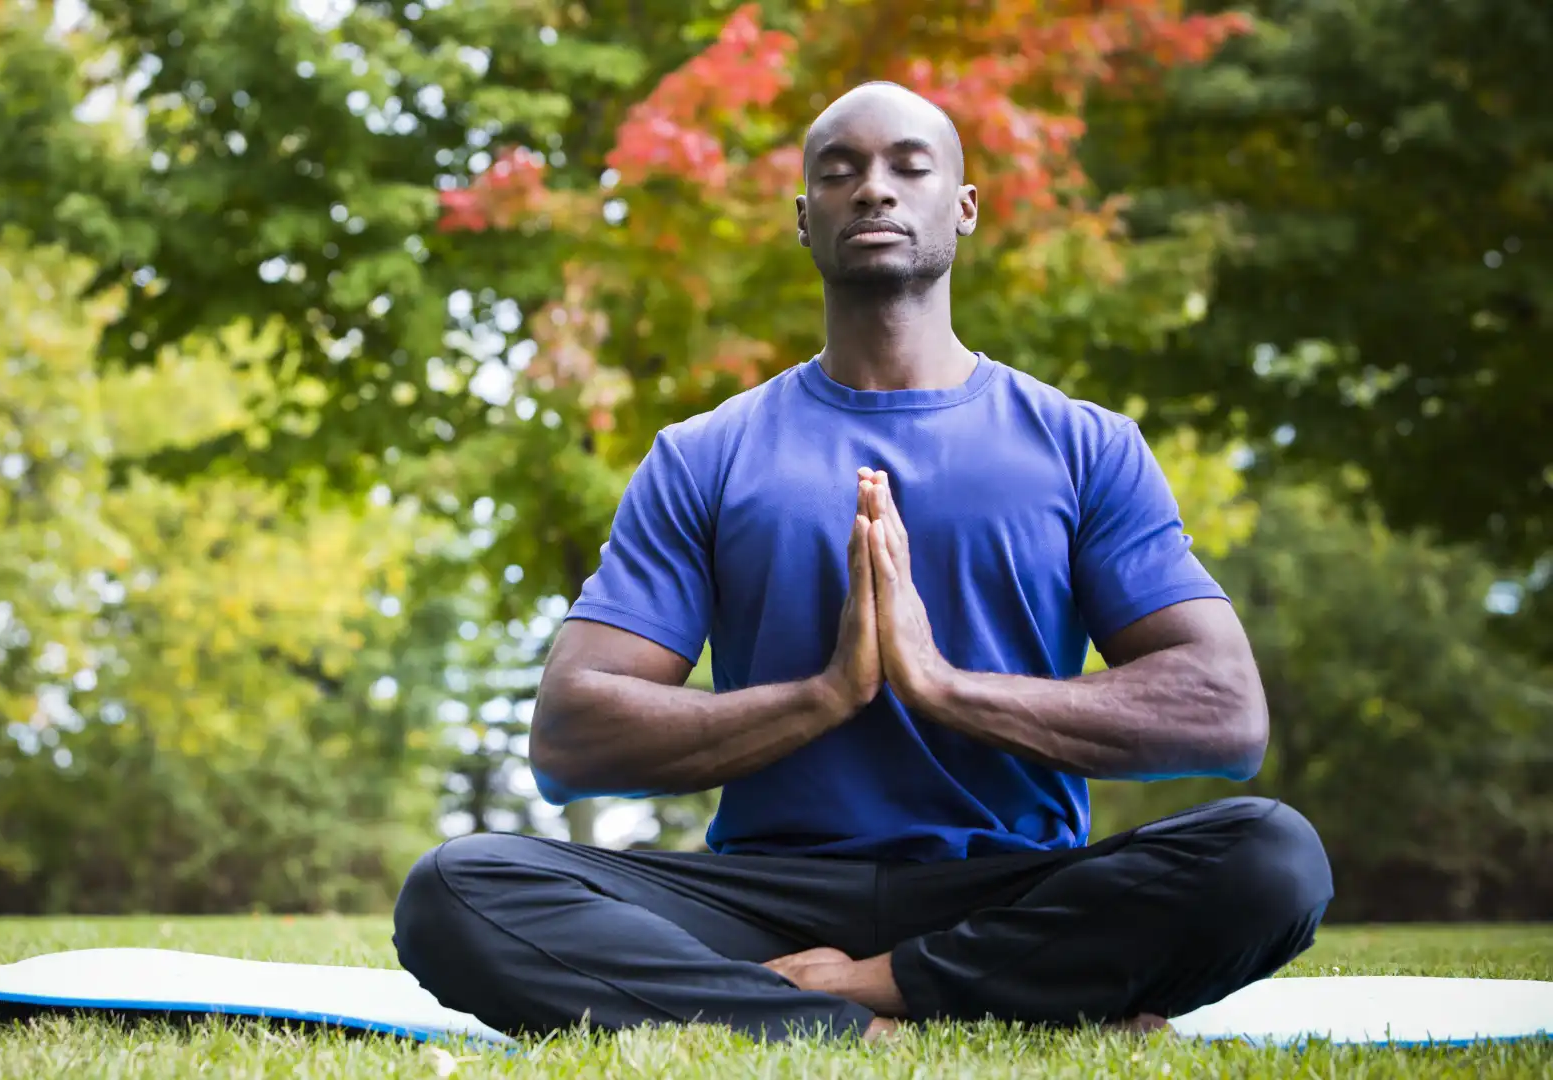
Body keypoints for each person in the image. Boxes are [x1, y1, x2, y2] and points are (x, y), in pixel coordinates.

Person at [391, 80, 1332, 1043]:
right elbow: (570, 737)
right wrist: (829, 694)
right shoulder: (705, 453)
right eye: (838, 173)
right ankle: (929, 1011)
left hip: (1010, 889)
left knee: (1273, 857)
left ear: (963, 207)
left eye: (908, 168)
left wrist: (941, 688)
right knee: (456, 890)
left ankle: (875, 990)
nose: (873, 190)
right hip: (766, 895)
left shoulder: (1084, 445)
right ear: (806, 220)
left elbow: (1223, 712)